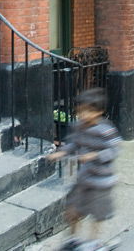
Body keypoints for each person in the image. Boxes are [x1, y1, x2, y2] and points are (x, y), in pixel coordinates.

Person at [47, 88, 122, 251]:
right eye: (80, 111)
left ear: (100, 111)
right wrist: (61, 153)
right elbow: (75, 143)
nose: (83, 115)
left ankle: (94, 242)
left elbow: (114, 150)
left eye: (88, 111)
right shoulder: (78, 126)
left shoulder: (106, 130)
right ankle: (73, 239)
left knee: (97, 213)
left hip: (101, 181)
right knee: (72, 209)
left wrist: (94, 155)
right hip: (84, 177)